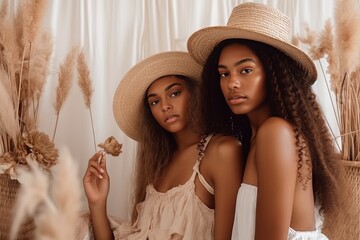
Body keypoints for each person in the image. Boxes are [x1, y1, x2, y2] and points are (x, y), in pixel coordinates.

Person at [187, 2, 344, 240]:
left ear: (273, 73)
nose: (232, 83)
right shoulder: (257, 138)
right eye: (224, 73)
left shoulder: (276, 133)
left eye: (246, 70)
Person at [78, 51, 243, 240]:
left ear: (196, 93)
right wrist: (97, 202)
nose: (165, 106)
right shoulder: (158, 163)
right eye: (155, 101)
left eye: (174, 93)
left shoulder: (222, 151)